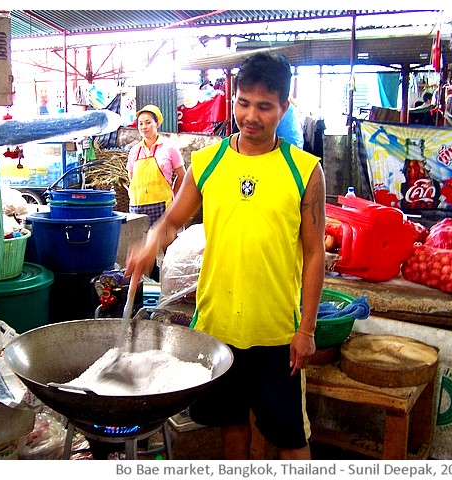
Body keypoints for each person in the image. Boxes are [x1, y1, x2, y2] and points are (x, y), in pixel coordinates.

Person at [125, 53, 326, 460]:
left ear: (284, 108)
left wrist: (306, 330)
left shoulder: (304, 170)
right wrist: (149, 245)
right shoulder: (209, 161)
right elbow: (172, 221)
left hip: (277, 333)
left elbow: (314, 253)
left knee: (290, 438)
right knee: (231, 424)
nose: (251, 116)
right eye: (243, 103)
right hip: (217, 328)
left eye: (264, 106)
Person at [127, 104, 186, 227]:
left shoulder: (169, 148)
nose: (143, 127)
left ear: (157, 123)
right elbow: (132, 177)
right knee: (141, 243)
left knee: (163, 243)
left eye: (148, 122)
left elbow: (182, 175)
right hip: (137, 207)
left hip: (163, 206)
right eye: (140, 123)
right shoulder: (134, 151)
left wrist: (173, 196)